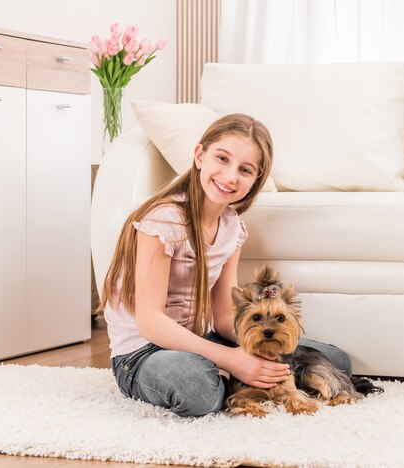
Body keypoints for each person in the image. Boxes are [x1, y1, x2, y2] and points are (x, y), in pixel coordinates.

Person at [99, 113, 353, 417]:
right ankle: (220, 375)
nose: (230, 176)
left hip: (198, 339)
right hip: (145, 351)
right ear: (199, 156)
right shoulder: (164, 220)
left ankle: (225, 374)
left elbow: (223, 317)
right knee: (197, 391)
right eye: (222, 159)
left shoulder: (232, 227)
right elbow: (150, 322)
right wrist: (231, 359)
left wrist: (258, 346)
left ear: (255, 181)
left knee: (335, 361)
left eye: (245, 170)